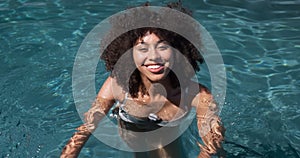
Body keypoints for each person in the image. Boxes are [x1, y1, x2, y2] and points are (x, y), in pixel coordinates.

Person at [61, 1, 225, 158]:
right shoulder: (117, 85)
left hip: (168, 140)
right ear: (128, 54)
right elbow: (86, 128)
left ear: (177, 50)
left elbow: (212, 144)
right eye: (142, 48)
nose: (154, 56)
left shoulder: (196, 94)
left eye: (162, 46)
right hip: (131, 137)